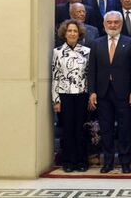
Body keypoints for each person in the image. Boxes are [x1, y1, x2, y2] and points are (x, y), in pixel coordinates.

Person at [88, 11, 131, 174]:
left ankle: (125, 162)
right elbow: (92, 70)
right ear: (104, 25)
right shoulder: (96, 44)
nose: (112, 25)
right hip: (103, 93)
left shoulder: (130, 43)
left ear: (121, 24)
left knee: (125, 129)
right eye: (109, 22)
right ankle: (108, 162)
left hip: (124, 93)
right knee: (106, 129)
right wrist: (92, 92)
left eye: (116, 22)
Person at [52, 19, 90, 173]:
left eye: (75, 31)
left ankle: (82, 161)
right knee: (67, 129)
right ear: (64, 33)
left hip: (82, 95)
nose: (72, 33)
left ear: (79, 33)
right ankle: (68, 161)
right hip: (64, 95)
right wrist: (55, 100)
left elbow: (89, 75)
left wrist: (91, 96)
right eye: (69, 31)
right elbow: (55, 76)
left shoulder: (86, 51)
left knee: (80, 129)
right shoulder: (57, 52)